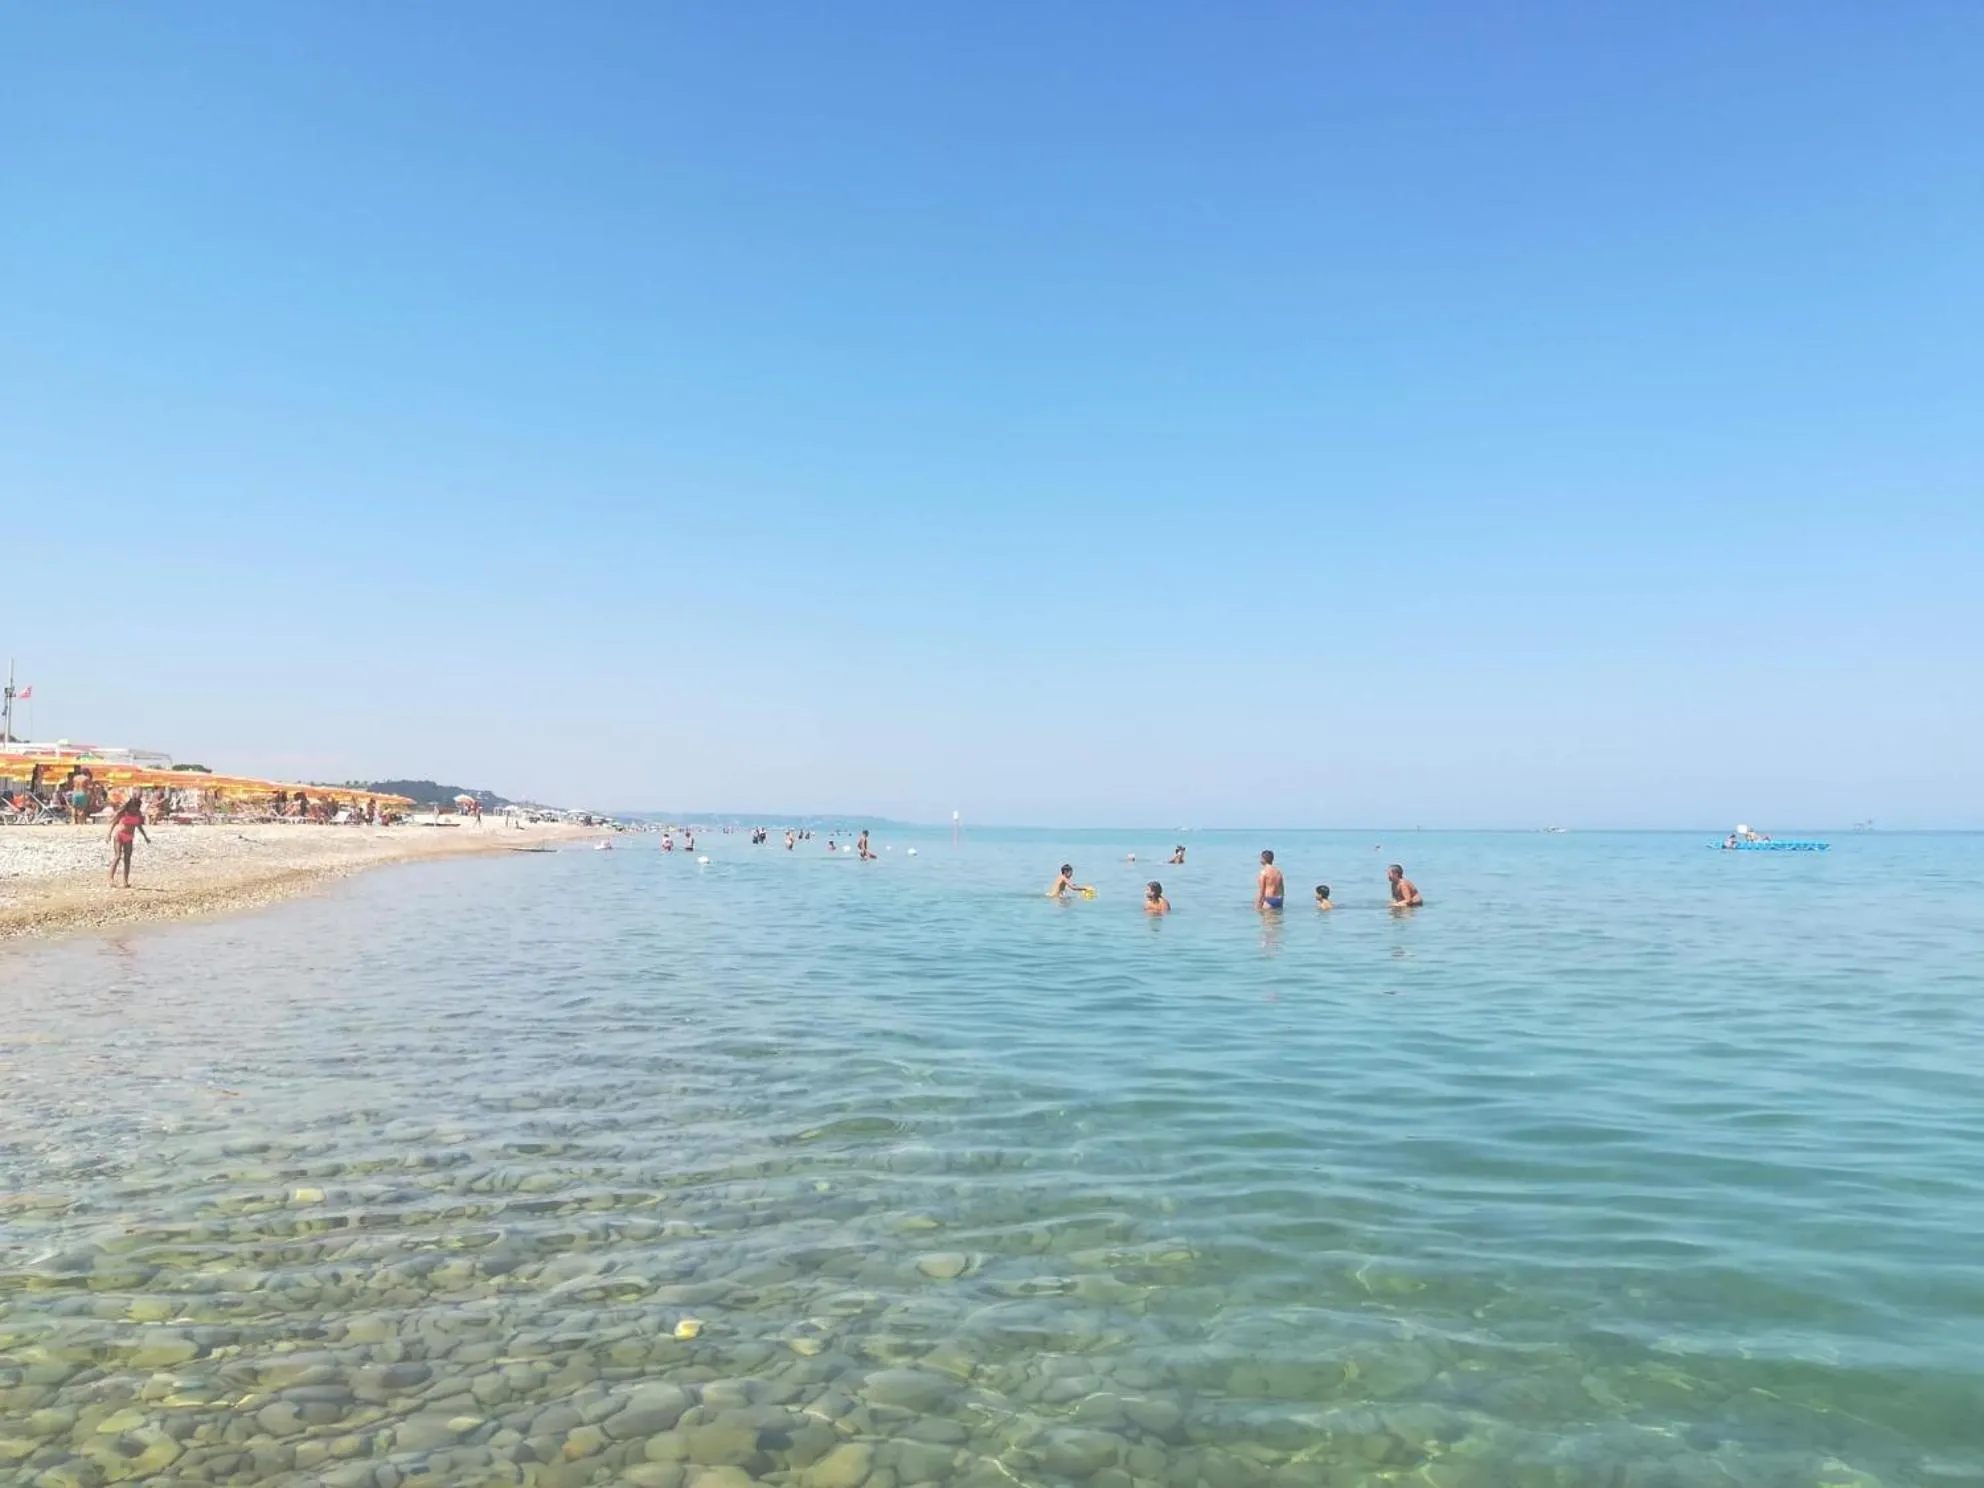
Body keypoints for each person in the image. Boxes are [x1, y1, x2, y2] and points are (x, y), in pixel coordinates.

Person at [107, 793, 150, 887]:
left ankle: (125, 881)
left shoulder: (138, 814)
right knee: (117, 856)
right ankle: (110, 879)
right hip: (119, 835)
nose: (133, 808)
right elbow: (114, 823)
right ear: (129, 805)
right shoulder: (123, 812)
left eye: (135, 807)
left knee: (127, 859)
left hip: (129, 837)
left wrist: (145, 837)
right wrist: (109, 835)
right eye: (132, 806)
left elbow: (139, 827)